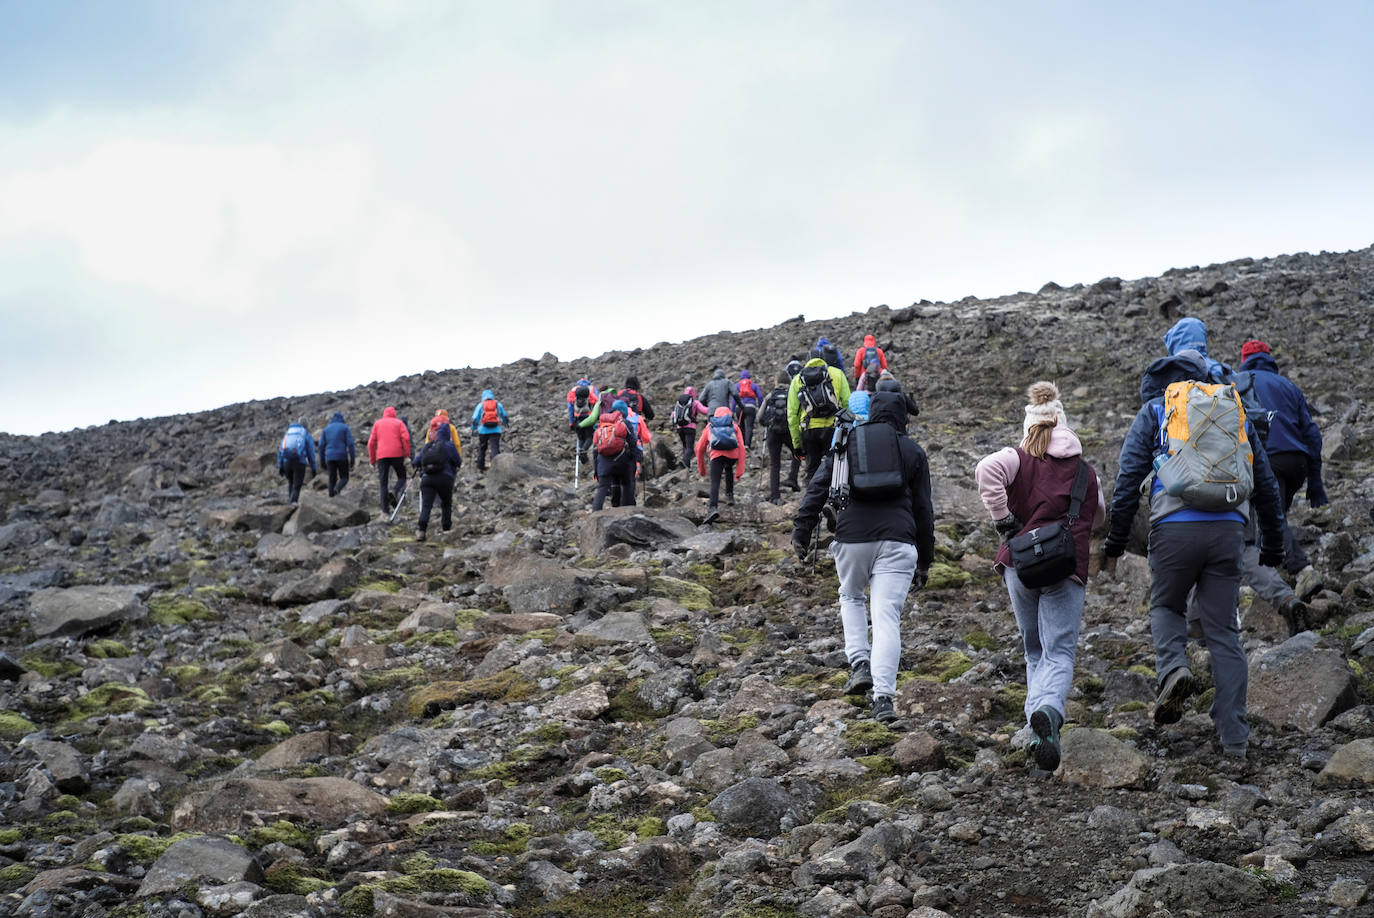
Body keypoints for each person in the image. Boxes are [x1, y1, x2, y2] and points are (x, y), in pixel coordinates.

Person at [1102, 349, 1285, 762]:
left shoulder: (1155, 410)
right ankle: (1234, 738)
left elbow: (1128, 480)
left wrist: (1114, 543)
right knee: (1224, 632)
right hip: (1228, 530)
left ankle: (1174, 669)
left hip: (1174, 529)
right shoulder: (1231, 406)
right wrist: (1273, 544)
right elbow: (1266, 482)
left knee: (1166, 605)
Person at [975, 382, 1105, 771]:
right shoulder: (1084, 470)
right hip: (1066, 568)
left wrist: (1003, 519)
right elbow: (1098, 515)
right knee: (1059, 651)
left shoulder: (1017, 458)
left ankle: (1038, 733)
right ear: (1063, 424)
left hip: (1020, 565)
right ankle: (1048, 710)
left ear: (1030, 425)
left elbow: (985, 469)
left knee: (1034, 649)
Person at [791, 391, 934, 724]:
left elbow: (818, 486)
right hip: (899, 542)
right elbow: (924, 511)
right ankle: (883, 700)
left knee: (851, 596)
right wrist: (925, 560)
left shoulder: (847, 443)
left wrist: (801, 530)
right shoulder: (913, 451)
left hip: (852, 538)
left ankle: (859, 664)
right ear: (903, 418)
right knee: (886, 618)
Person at [1235, 339, 1327, 573]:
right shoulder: (1288, 386)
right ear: (1269, 358)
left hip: (1267, 461)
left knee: (1270, 519)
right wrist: (1315, 480)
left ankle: (1302, 570)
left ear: (1244, 360)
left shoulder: (1240, 385)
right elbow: (1312, 434)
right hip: (1297, 462)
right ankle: (1275, 572)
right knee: (1273, 519)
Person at [788, 349, 852, 488]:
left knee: (812, 471)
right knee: (835, 468)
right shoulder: (837, 373)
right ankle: (833, 502)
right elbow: (847, 403)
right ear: (824, 359)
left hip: (809, 430)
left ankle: (812, 504)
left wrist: (797, 444)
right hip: (833, 429)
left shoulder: (797, 379)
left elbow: (792, 415)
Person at [695, 406, 746, 524]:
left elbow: (699, 448)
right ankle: (730, 496)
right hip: (732, 455)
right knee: (728, 469)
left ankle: (713, 508)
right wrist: (739, 472)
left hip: (716, 455)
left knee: (715, 481)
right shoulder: (734, 426)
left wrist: (702, 469)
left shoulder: (710, 426)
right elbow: (742, 448)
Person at [412, 424, 461, 541]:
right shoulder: (450, 445)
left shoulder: (429, 445)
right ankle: (446, 530)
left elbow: (416, 461)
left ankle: (421, 531)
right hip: (445, 479)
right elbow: (458, 461)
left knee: (426, 505)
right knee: (446, 504)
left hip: (427, 479)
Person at [759, 370, 799, 502]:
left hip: (773, 432)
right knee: (797, 453)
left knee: (775, 464)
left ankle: (775, 496)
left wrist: (765, 423)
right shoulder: (791, 394)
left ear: (777, 381)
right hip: (788, 431)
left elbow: (759, 416)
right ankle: (793, 478)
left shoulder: (771, 396)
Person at [591, 403, 637, 511]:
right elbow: (633, 444)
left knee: (602, 488)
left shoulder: (601, 425)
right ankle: (627, 510)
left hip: (603, 461)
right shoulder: (625, 423)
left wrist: (596, 470)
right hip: (622, 461)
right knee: (626, 484)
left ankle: (595, 513)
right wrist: (635, 460)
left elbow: (595, 450)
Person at [367, 406, 413, 515]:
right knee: (402, 477)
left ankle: (385, 510)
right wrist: (407, 455)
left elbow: (371, 443)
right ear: (394, 414)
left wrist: (372, 460)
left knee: (383, 483)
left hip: (382, 456)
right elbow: (406, 439)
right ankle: (395, 490)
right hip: (397, 454)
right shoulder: (399, 423)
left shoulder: (377, 424)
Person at [277, 418, 316, 504]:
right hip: (299, 462)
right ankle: (291, 505)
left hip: (286, 462)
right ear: (306, 425)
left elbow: (280, 450)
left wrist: (280, 466)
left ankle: (290, 504)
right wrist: (314, 468)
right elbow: (311, 453)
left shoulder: (289, 433)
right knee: (297, 486)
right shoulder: (306, 434)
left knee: (291, 483)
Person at [316, 411, 356, 497]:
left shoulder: (326, 429)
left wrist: (322, 460)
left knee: (332, 479)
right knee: (344, 477)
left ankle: (331, 498)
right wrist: (352, 459)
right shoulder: (345, 428)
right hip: (342, 456)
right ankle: (337, 489)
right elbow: (351, 444)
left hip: (329, 457)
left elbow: (321, 446)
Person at [470, 389, 509, 473]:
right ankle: (495, 467)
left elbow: (475, 418)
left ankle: (480, 466)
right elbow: (504, 416)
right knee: (494, 447)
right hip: (496, 430)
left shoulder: (481, 405)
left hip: (483, 430)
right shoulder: (498, 404)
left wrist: (473, 428)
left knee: (482, 448)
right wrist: (506, 424)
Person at [670, 386, 709, 469]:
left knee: (685, 446)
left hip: (679, 427)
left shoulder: (679, 402)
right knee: (690, 447)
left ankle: (686, 465)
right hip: (690, 427)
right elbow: (704, 411)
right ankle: (685, 462)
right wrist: (713, 408)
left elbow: (673, 415)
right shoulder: (694, 402)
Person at [567, 379, 599, 461]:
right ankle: (584, 450)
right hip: (589, 419)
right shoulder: (591, 390)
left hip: (577, 419)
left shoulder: (573, 392)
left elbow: (570, 408)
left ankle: (581, 455)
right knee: (589, 437)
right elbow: (597, 403)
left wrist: (571, 422)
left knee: (581, 438)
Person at [735, 370, 762, 449]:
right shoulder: (753, 385)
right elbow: (760, 396)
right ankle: (747, 445)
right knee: (749, 426)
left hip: (739, 408)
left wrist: (732, 410)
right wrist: (760, 407)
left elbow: (734, 398)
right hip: (750, 407)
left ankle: (741, 444)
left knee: (741, 426)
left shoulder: (737, 385)